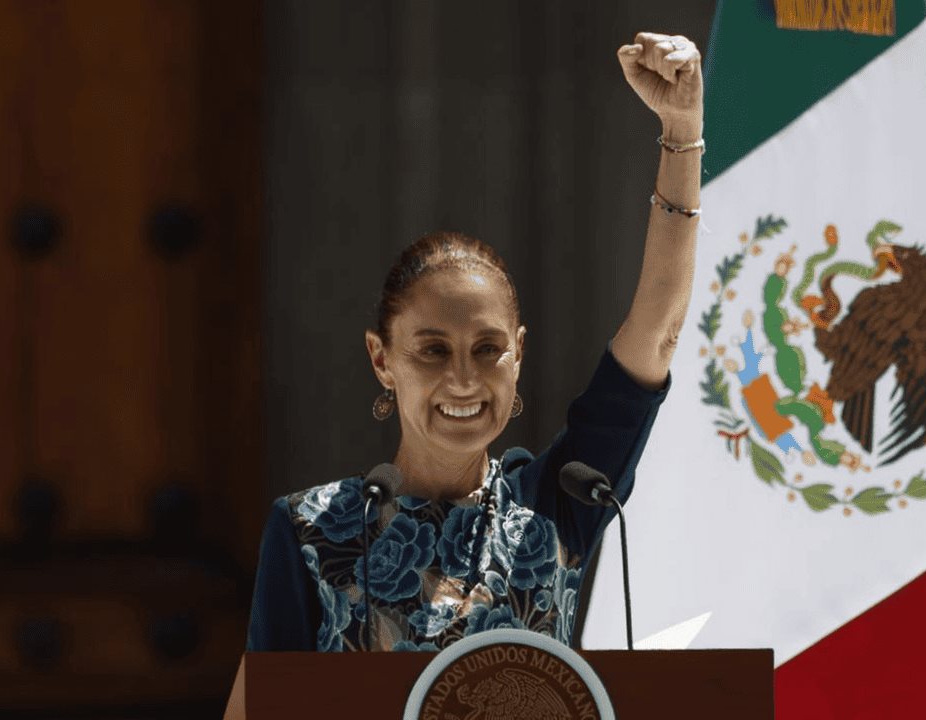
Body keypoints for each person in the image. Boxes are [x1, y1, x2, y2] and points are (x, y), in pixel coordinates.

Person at [247, 31, 702, 652]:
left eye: (488, 348)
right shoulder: (307, 532)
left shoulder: (560, 503)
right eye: (432, 350)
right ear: (382, 359)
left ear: (518, 354)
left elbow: (660, 328)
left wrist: (682, 132)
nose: (463, 378)